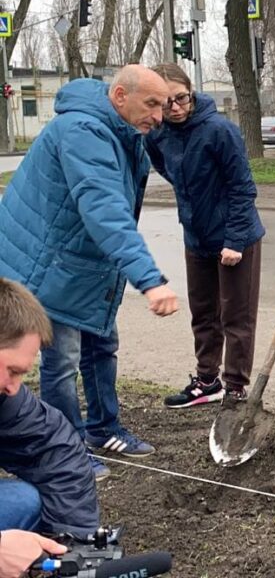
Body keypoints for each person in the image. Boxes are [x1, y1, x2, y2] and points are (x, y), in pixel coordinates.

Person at [0, 65, 179, 480]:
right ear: (119, 96)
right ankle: (66, 447)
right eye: (152, 104)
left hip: (84, 264)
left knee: (102, 344)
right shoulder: (84, 131)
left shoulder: (124, 130)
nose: (159, 115)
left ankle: (103, 428)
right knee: (61, 358)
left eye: (164, 105)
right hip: (48, 264)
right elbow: (103, 208)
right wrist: (148, 279)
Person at [146, 63, 265, 408]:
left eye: (181, 98)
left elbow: (243, 188)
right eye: (166, 103)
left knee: (236, 316)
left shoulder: (219, 131)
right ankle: (207, 381)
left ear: (191, 92)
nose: (175, 108)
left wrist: (235, 241)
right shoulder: (159, 133)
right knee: (203, 312)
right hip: (195, 236)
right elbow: (164, 166)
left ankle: (236, 387)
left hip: (234, 237)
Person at [1, 278, 100, 577]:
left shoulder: (6, 396)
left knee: (24, 502)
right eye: (12, 371)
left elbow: (54, 448)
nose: (14, 388)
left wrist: (78, 546)